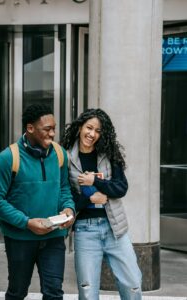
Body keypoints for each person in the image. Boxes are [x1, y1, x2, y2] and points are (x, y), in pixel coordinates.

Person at [0, 104, 75, 300]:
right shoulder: (7, 158)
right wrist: (27, 222)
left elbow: (64, 188)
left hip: (54, 237)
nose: (52, 133)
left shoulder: (60, 154)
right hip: (20, 239)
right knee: (17, 292)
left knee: (54, 293)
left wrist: (68, 208)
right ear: (30, 128)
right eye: (47, 129)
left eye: (54, 128)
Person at [61, 108, 142, 300]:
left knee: (133, 285)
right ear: (80, 127)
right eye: (89, 128)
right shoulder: (65, 158)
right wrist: (90, 198)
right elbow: (67, 198)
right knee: (88, 292)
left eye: (98, 131)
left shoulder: (109, 153)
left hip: (115, 228)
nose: (92, 134)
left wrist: (95, 182)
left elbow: (121, 188)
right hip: (85, 230)